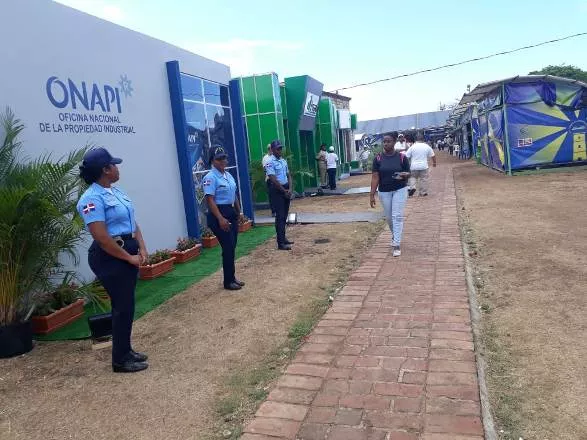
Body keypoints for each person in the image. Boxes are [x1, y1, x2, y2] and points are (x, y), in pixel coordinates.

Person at [77, 147, 149, 373]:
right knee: (122, 307)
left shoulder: (116, 192)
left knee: (126, 306)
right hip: (110, 256)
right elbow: (101, 237)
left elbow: (132, 222)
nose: (118, 168)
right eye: (114, 165)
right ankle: (120, 360)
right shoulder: (90, 199)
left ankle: (126, 350)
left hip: (126, 249)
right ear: (105, 170)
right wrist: (129, 258)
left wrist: (142, 247)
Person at [204, 146, 245, 291]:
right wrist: (220, 218)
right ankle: (228, 282)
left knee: (232, 247)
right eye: (219, 159)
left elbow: (234, 195)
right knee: (228, 247)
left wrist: (239, 213)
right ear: (212, 160)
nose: (223, 161)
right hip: (218, 215)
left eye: (224, 158)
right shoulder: (210, 177)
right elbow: (210, 200)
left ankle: (232, 277)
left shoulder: (228, 175)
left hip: (231, 212)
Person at [369, 132, 410, 257]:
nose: (386, 144)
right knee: (389, 218)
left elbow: (408, 173)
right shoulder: (378, 159)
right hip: (384, 191)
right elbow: (375, 177)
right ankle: (395, 235)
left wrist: (404, 175)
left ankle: (397, 244)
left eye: (389, 141)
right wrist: (371, 194)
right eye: (384, 142)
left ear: (394, 142)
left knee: (397, 216)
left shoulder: (402, 157)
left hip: (400, 189)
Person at [265, 140, 294, 250]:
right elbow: (273, 179)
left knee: (285, 215)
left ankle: (283, 238)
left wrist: (290, 189)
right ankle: (280, 243)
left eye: (281, 148)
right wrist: (284, 191)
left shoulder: (283, 161)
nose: (280, 150)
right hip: (277, 191)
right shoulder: (269, 162)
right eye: (278, 149)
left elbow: (288, 175)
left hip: (286, 189)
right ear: (272, 150)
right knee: (280, 216)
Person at [406, 132, 436, 197]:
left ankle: (413, 187)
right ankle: (423, 192)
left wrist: (407, 164)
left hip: (414, 166)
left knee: (412, 177)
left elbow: (407, 156)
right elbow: (433, 155)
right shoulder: (427, 146)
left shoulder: (412, 147)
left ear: (416, 139)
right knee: (423, 179)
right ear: (423, 139)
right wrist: (434, 163)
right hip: (424, 166)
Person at [262, 144, 276, 216]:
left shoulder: (276, 157)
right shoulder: (265, 158)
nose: (271, 150)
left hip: (277, 179)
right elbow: (265, 169)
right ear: (268, 149)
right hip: (270, 179)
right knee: (272, 196)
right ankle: (273, 211)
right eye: (270, 149)